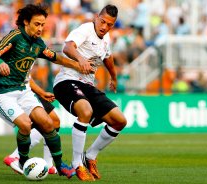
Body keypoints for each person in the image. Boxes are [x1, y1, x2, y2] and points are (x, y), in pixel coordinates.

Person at [0, 4, 94, 179]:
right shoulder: (15, 36)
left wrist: (77, 65)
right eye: (37, 24)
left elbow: (56, 58)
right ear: (26, 22)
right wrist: (0, 63)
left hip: (22, 90)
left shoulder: (38, 44)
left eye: (43, 25)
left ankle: (60, 166)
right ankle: (22, 160)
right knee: (25, 124)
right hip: (0, 92)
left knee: (49, 123)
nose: (40, 28)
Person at [53, 4, 127, 181]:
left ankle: (90, 156)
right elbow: (67, 47)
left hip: (87, 85)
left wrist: (114, 78)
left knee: (119, 121)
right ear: (96, 17)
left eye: (109, 24)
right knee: (86, 111)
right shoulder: (85, 29)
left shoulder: (106, 38)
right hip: (67, 82)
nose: (104, 27)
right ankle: (77, 164)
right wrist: (80, 58)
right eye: (102, 22)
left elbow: (108, 58)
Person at [3, 76, 60, 175]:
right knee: (47, 122)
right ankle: (16, 156)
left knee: (53, 121)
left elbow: (27, 76)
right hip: (19, 91)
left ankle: (48, 163)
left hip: (26, 89)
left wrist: (41, 93)